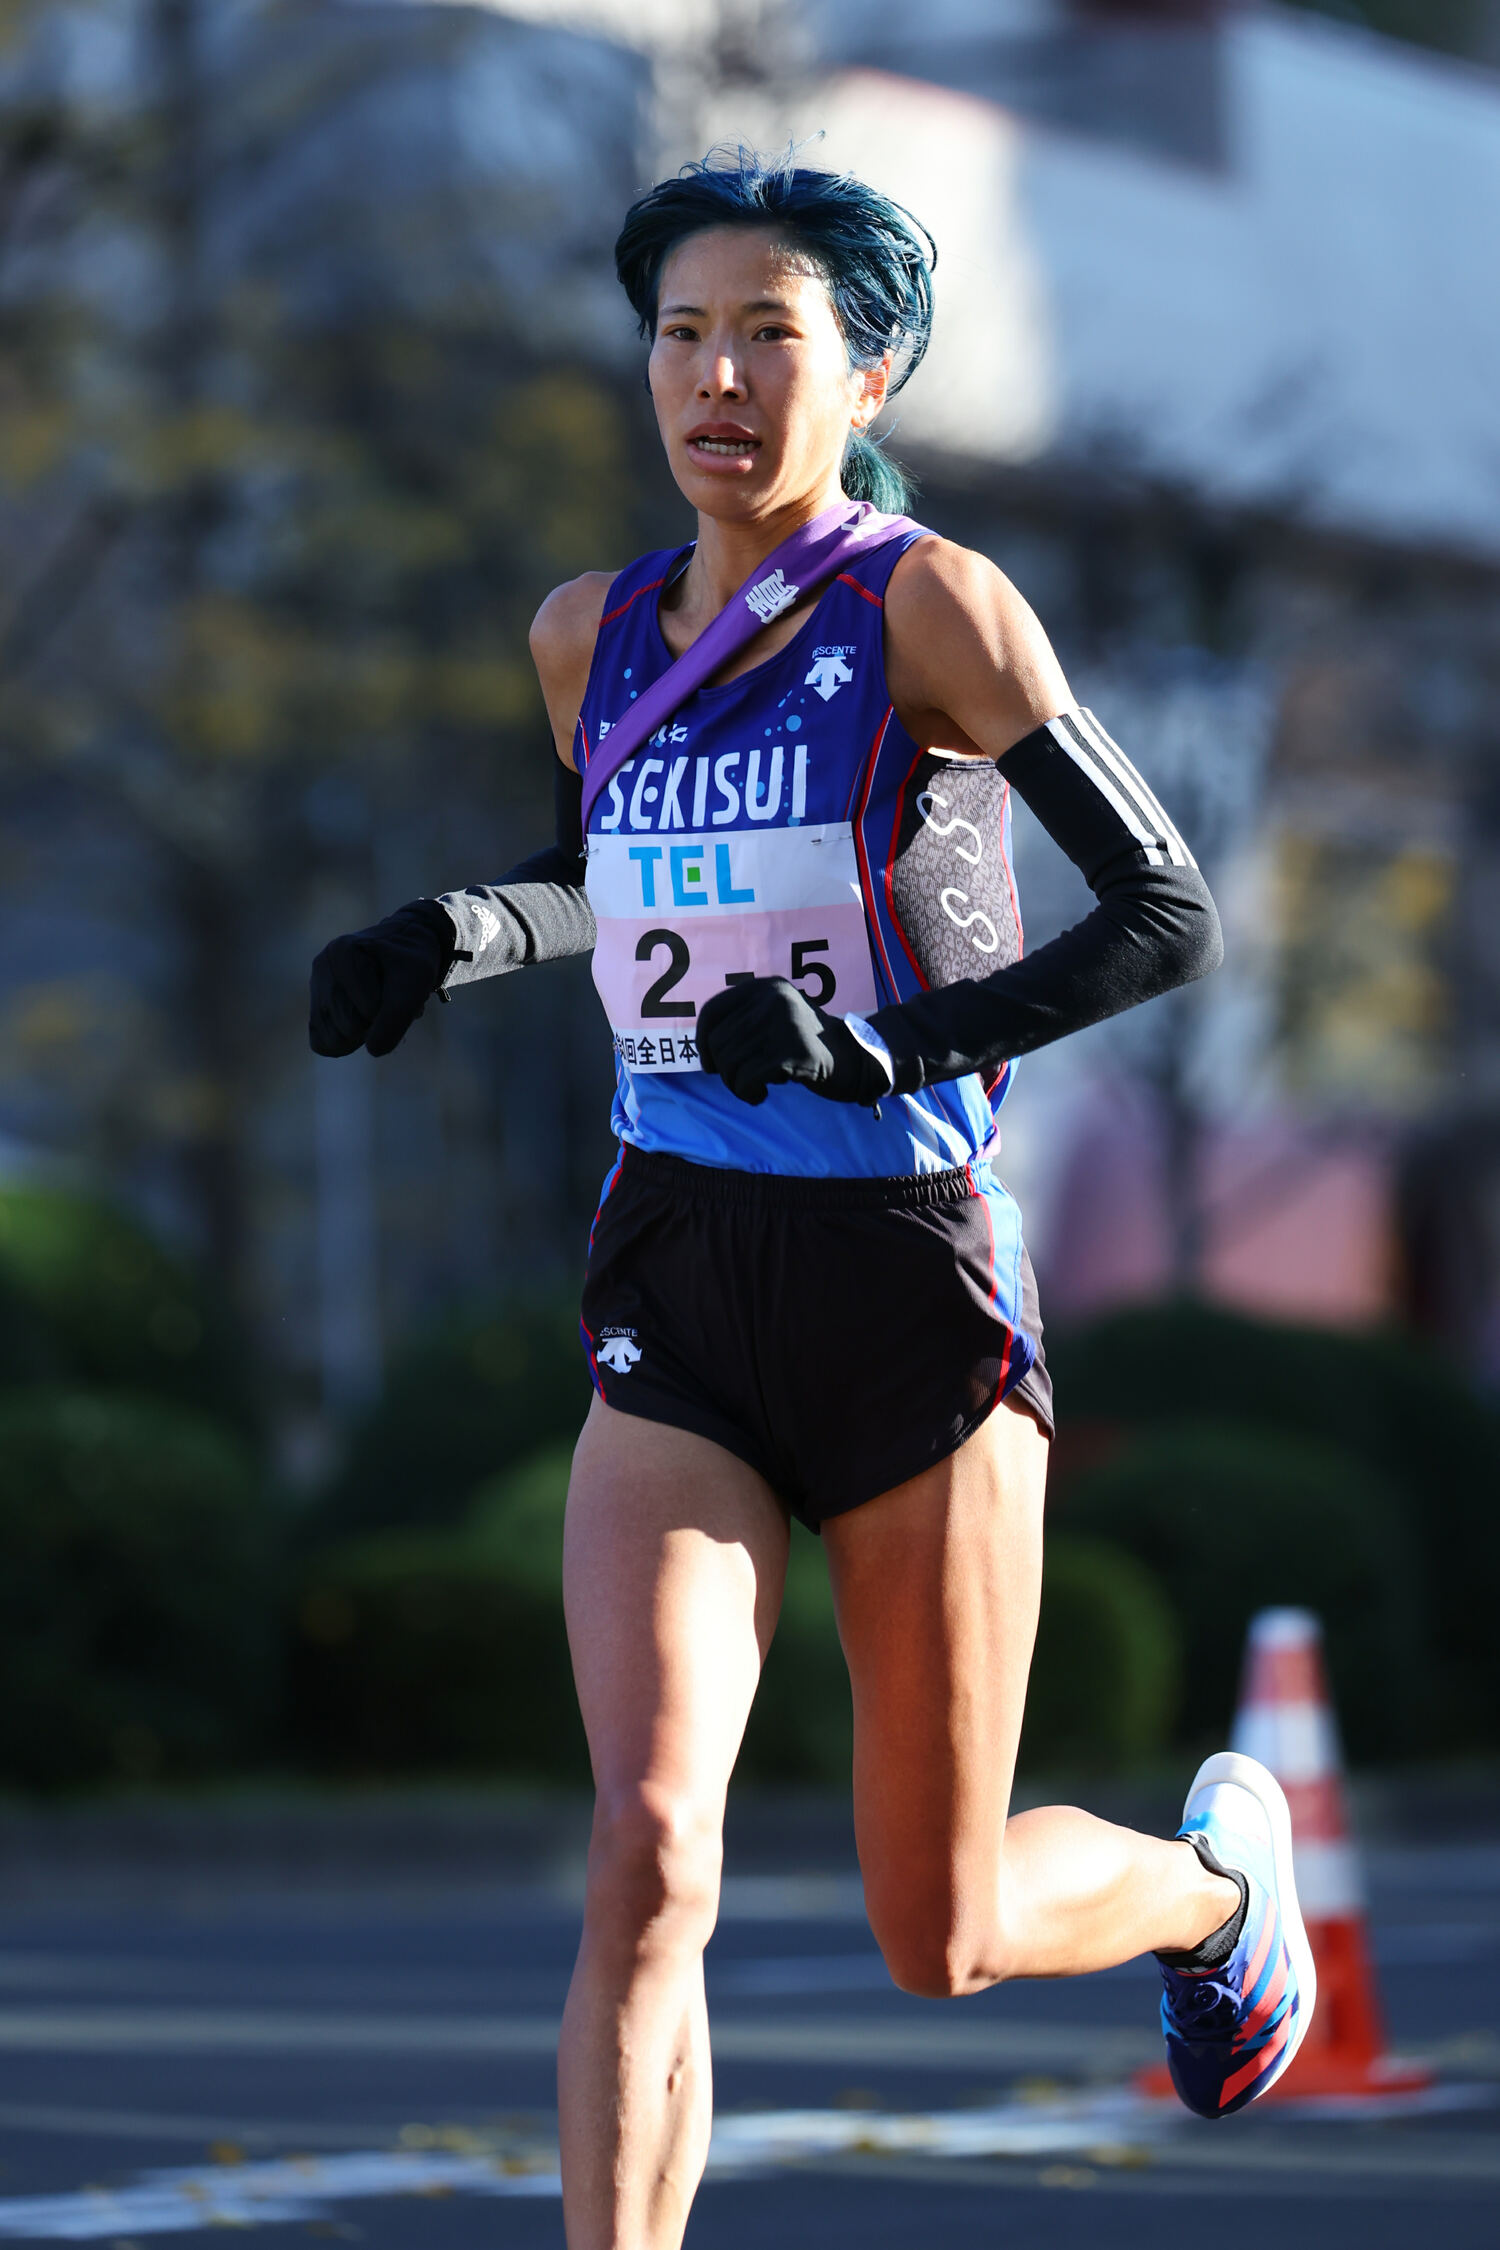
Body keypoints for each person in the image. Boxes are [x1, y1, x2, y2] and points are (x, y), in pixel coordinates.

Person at [310, 149, 1314, 2250]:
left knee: (934, 1934)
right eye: (682, 332)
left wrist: (884, 1052)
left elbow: (1162, 910)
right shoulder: (587, 634)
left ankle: (1221, 1893)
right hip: (680, 1267)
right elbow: (620, 886)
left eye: (771, 333)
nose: (718, 377)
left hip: (909, 1287)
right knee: (649, 1848)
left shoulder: (928, 605)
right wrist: (448, 936)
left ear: (868, 370)